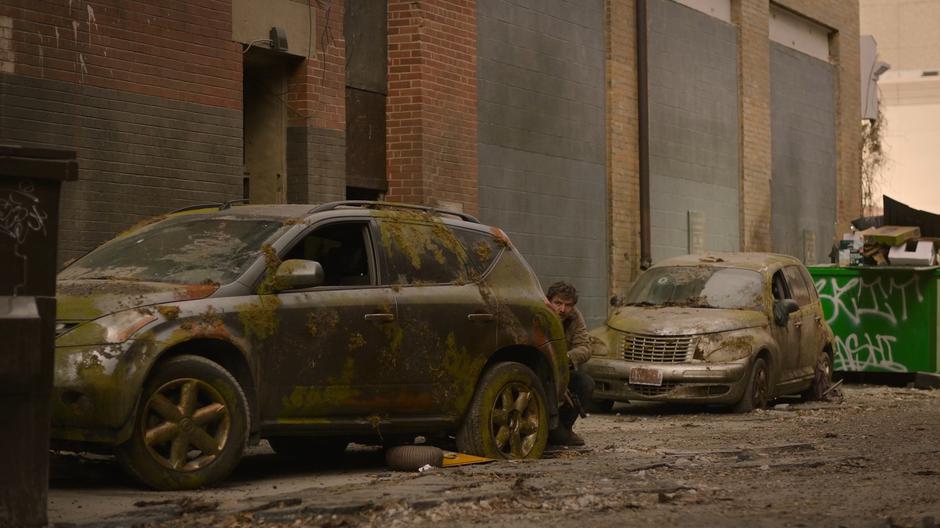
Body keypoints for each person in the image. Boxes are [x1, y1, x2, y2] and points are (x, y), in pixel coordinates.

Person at [545, 281, 602, 447]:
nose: (562, 309)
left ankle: (562, 429)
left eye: (568, 305)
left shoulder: (575, 317)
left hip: (563, 369)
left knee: (585, 384)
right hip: (540, 370)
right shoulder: (540, 314)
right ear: (549, 301)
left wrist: (566, 359)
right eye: (558, 303)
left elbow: (584, 347)